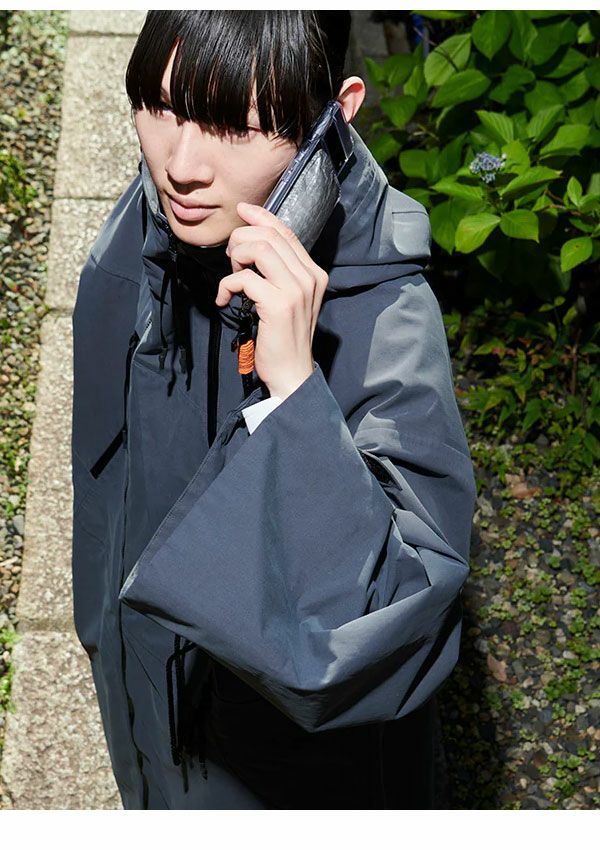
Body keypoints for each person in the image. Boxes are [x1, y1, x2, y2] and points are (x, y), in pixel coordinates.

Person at [70, 10, 477, 810]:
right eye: (161, 105)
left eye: (236, 126)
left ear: (338, 109)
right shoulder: (143, 231)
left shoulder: (385, 321)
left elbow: (389, 639)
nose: (181, 165)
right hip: (146, 716)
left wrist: (294, 396)